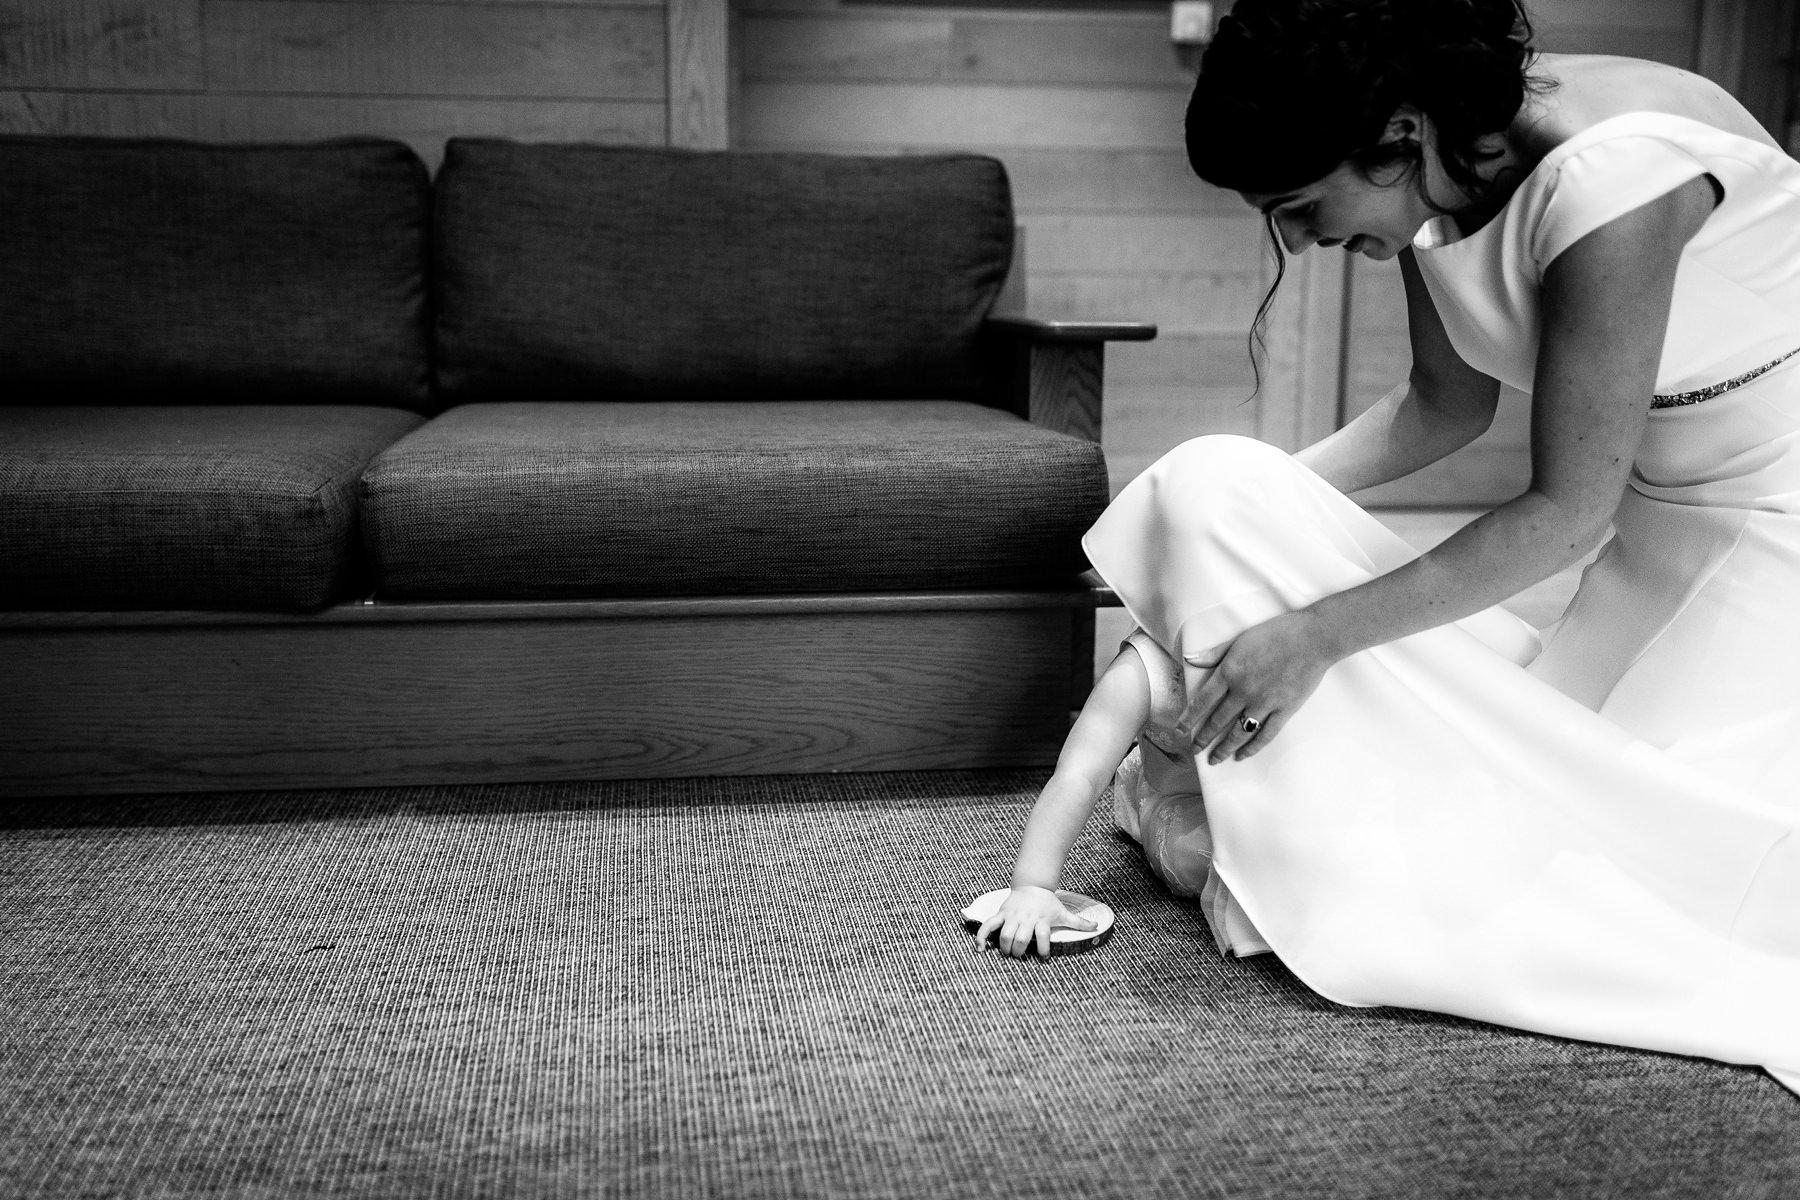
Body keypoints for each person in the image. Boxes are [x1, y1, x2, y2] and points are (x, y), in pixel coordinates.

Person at [976, 0, 1800, 1092]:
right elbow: (1438, 409)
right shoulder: (1445, 170)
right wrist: (1229, 515)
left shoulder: (1616, 184)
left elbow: (1562, 513)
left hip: (1772, 533)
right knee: (1493, 815)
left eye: (1303, 207)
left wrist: (1313, 634)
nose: (1302, 242)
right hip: (1650, 518)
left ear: (1398, 135)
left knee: (1639, 883)